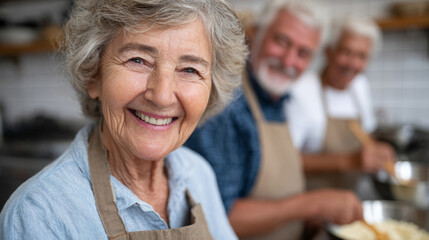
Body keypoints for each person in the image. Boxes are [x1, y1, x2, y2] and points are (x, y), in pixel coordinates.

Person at [0, 0, 248, 239]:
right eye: (138, 60)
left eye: (189, 69)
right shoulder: (38, 213)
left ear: (212, 88)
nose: (161, 96)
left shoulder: (198, 174)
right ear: (93, 74)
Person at [185, 1, 363, 239]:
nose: (289, 61)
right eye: (281, 42)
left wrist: (308, 220)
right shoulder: (229, 104)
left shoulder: (279, 98)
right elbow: (216, 217)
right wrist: (312, 204)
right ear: (256, 33)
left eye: (303, 53)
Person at [287, 16, 395, 189]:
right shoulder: (301, 91)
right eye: (346, 52)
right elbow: (286, 160)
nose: (352, 63)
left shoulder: (359, 85)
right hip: (309, 204)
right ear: (329, 51)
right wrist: (349, 161)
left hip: (351, 198)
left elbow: (366, 135)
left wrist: (378, 153)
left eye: (361, 56)